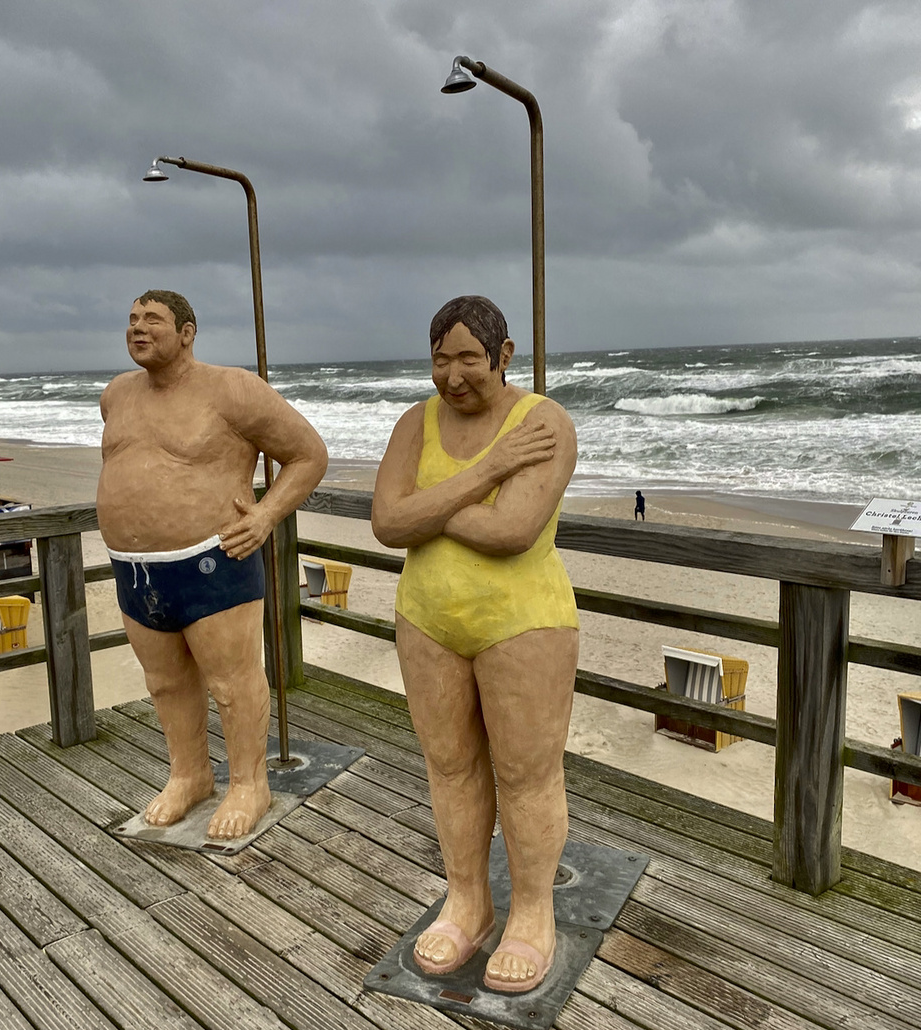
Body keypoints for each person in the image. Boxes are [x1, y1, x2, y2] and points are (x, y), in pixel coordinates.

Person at [372, 295, 579, 994]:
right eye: (440, 358)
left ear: (503, 355)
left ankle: (532, 912)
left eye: (468, 357)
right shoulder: (414, 422)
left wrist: (425, 509)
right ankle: (467, 899)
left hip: (522, 621)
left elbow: (512, 531)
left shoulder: (541, 422)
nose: (453, 374)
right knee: (450, 765)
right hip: (428, 618)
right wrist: (486, 475)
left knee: (527, 773)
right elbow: (386, 522)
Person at [97, 290, 327, 840]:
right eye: (132, 319)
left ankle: (249, 784)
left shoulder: (230, 389)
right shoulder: (115, 396)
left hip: (213, 558)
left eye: (153, 319)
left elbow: (309, 453)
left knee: (233, 681)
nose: (138, 328)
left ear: (187, 332)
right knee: (165, 681)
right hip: (135, 567)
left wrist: (267, 514)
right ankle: (189, 775)